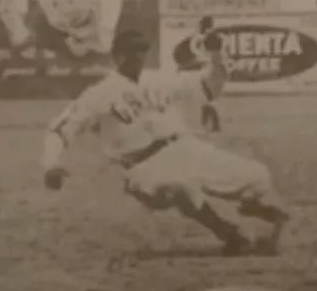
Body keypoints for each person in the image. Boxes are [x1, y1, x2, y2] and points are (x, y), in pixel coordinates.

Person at [42, 23, 290, 255]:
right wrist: (50, 164)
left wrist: (216, 53)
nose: (138, 57)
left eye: (142, 51)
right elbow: (60, 130)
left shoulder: (159, 80)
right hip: (143, 167)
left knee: (258, 177)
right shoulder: (99, 94)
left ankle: (259, 212)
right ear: (117, 57)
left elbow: (211, 84)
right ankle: (228, 232)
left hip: (184, 147)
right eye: (131, 52)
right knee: (180, 185)